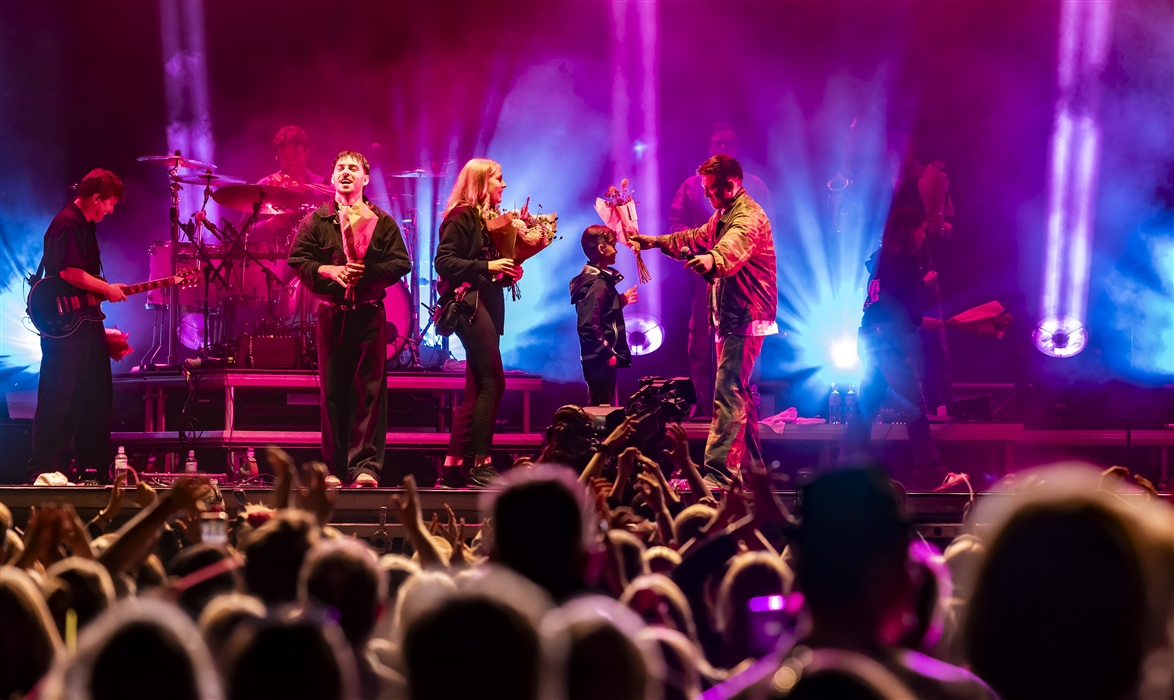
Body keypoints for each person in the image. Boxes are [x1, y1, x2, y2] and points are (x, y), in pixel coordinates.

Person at [633, 154, 778, 484]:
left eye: (711, 190)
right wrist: (653, 242)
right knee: (737, 392)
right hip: (732, 314)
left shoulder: (747, 216)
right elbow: (694, 237)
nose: (707, 196)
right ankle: (754, 474)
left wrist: (711, 260)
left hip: (746, 314)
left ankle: (719, 475)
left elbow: (730, 249)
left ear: (730, 185)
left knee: (727, 391)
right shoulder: (722, 215)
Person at [288, 150, 411, 487]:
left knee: (369, 391)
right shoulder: (316, 220)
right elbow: (298, 259)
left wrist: (365, 272)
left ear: (365, 179)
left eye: (353, 168)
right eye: (340, 167)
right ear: (331, 178)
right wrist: (329, 269)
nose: (345, 172)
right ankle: (335, 468)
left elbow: (401, 263)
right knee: (333, 391)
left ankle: (366, 466)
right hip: (331, 314)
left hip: (369, 312)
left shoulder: (381, 220)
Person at [27, 169, 127, 484]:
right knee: (61, 393)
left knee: (94, 394)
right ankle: (42, 468)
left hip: (82, 323)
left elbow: (81, 277)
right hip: (64, 325)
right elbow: (70, 272)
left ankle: (92, 466)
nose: (110, 210)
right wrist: (106, 289)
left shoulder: (83, 225)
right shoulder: (68, 222)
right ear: (96, 197)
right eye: (109, 203)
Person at [669, 124, 775, 419]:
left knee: (742, 341)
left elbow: (768, 227)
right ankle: (706, 405)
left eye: (729, 141)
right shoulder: (692, 185)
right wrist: (698, 255)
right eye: (718, 141)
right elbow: (677, 225)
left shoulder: (755, 186)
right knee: (702, 342)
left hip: (744, 279)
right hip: (704, 275)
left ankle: (742, 407)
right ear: (709, 146)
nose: (723, 146)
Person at [433, 158, 524, 489]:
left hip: (483, 304)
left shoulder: (489, 221)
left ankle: (453, 468)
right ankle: (480, 465)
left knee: (475, 390)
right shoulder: (462, 216)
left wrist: (505, 273)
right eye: (499, 179)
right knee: (493, 382)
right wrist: (488, 265)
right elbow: (443, 261)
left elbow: (486, 271)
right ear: (481, 182)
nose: (503, 185)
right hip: (468, 307)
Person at [841, 206, 946, 483]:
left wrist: (919, 292)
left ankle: (844, 470)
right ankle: (933, 474)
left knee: (867, 404)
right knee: (914, 405)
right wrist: (921, 319)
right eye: (922, 230)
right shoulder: (906, 260)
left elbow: (882, 295)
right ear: (909, 230)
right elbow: (893, 300)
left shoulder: (880, 259)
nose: (924, 236)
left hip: (869, 333)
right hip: (888, 336)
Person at [889, 133, 956, 416]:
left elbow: (949, 228)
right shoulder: (881, 177)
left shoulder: (925, 178)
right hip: (888, 267)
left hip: (920, 265)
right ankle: (893, 403)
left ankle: (937, 403)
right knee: (891, 332)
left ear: (913, 143)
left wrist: (939, 226)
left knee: (929, 335)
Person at [571, 225, 638, 406]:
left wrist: (621, 300)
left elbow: (603, 313)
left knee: (605, 408)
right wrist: (608, 353)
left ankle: (601, 435)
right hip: (600, 360)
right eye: (613, 245)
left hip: (601, 359)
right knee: (600, 411)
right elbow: (587, 326)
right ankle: (597, 436)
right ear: (601, 248)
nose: (616, 250)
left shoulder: (599, 281)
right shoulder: (596, 283)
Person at [261, 125, 326, 188]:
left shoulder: (324, 186)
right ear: (279, 157)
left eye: (296, 154)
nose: (292, 161)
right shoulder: (265, 186)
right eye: (285, 156)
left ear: (306, 152)